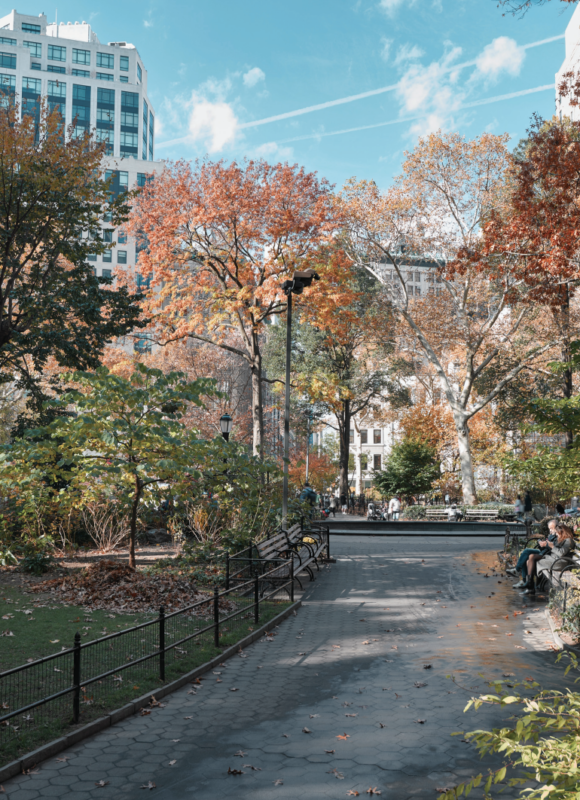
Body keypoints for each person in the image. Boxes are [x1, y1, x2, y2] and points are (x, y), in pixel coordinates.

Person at [520, 521, 575, 595]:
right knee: (531, 558)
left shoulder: (569, 540)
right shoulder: (560, 539)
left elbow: (561, 553)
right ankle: (530, 584)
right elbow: (555, 550)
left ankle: (530, 586)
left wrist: (552, 546)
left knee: (532, 562)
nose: (556, 535)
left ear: (562, 533)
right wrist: (547, 545)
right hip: (553, 558)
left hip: (559, 562)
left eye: (557, 533)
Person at [507, 518, 557, 587]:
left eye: (551, 528)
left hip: (547, 555)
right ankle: (521, 577)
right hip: (543, 551)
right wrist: (541, 543)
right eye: (549, 528)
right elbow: (546, 546)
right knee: (526, 552)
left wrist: (546, 544)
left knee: (528, 557)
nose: (550, 530)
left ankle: (519, 573)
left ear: (556, 527)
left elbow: (554, 548)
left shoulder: (558, 536)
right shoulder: (552, 535)